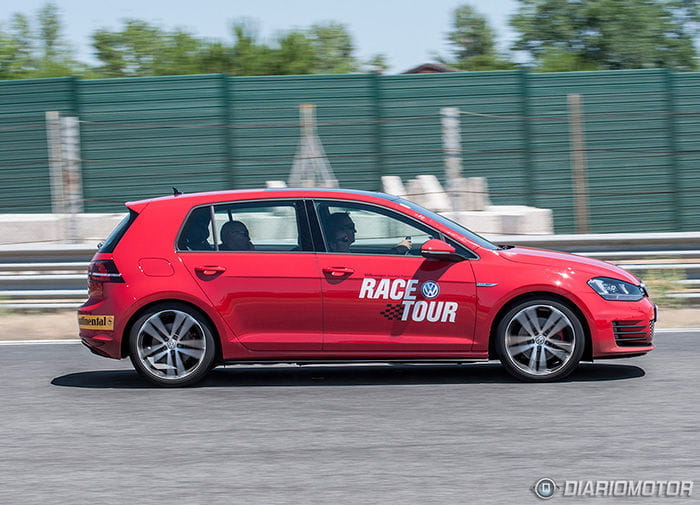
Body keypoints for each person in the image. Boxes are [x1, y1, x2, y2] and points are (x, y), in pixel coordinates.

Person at [326, 212, 412, 254]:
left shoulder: (342, 251)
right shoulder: (338, 253)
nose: (355, 231)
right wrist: (398, 250)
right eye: (351, 227)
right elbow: (369, 265)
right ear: (338, 231)